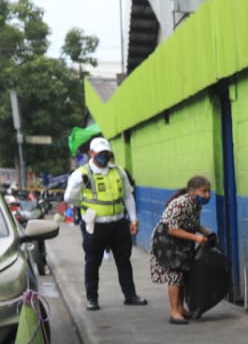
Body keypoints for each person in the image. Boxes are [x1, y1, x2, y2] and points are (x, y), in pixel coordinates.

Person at [65, 136, 147, 310]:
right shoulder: (82, 174)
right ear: (91, 153)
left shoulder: (119, 171)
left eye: (107, 153)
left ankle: (130, 295)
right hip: (95, 225)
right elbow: (69, 198)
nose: (104, 156)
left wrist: (133, 219)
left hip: (118, 224)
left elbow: (128, 196)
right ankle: (92, 299)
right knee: (93, 262)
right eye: (100, 153)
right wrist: (81, 195)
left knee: (124, 261)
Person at [149, 175, 216, 325]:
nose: (207, 195)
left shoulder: (195, 204)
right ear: (192, 191)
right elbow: (172, 229)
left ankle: (180, 308)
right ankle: (174, 312)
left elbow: (193, 223)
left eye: (209, 191)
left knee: (182, 275)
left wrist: (206, 232)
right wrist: (196, 238)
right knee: (174, 275)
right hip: (167, 242)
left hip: (181, 242)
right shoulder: (180, 204)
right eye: (204, 191)